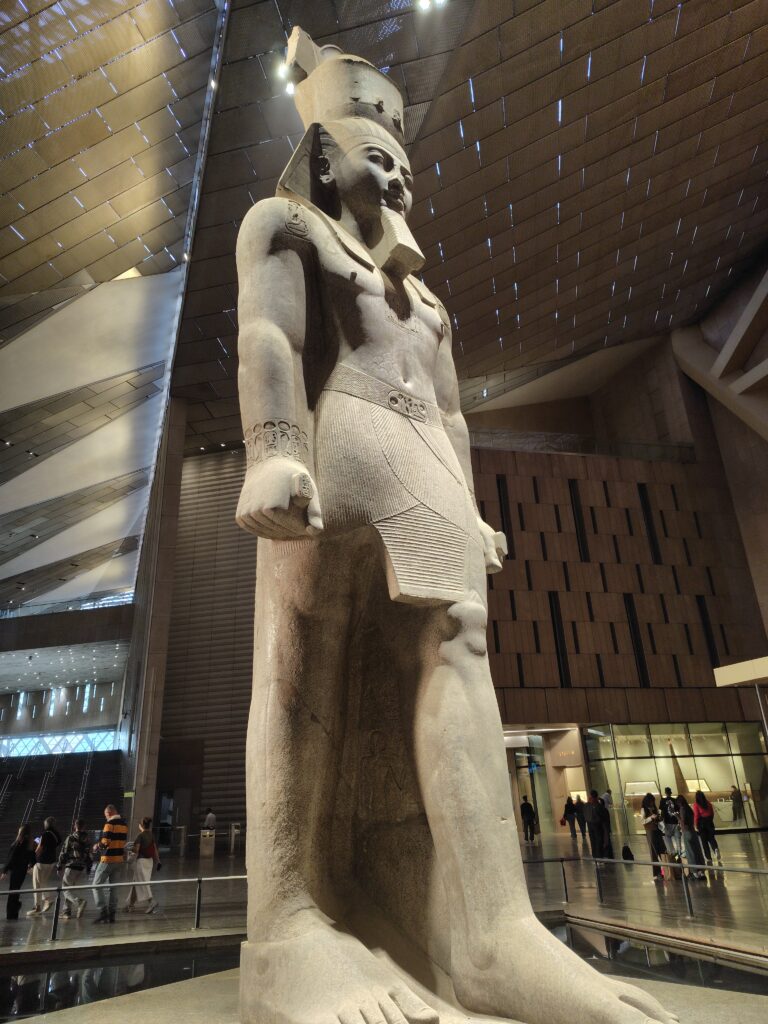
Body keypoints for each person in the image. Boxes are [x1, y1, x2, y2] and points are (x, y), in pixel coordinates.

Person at [233, 27, 676, 1024]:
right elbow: (270, 334)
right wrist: (273, 447)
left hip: (422, 465)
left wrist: (472, 508)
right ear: (323, 159)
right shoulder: (286, 226)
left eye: (406, 167)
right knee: (304, 659)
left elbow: (452, 411)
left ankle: (490, 928)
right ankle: (289, 921)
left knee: (459, 641)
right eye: (377, 157)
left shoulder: (425, 298)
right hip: (336, 450)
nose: (398, 178)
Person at [92, 804, 127, 924]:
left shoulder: (109, 824)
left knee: (96, 885)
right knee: (114, 888)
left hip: (107, 859)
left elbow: (105, 842)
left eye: (105, 815)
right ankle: (112, 914)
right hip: (119, 859)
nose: (105, 817)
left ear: (109, 813)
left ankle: (103, 911)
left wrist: (97, 845)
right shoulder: (124, 825)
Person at [57, 819, 91, 920]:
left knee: (65, 888)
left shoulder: (71, 838)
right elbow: (89, 854)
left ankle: (79, 902)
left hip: (71, 866)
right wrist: (88, 868)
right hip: (81, 868)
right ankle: (66, 912)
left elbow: (64, 853)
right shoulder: (87, 839)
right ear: (84, 827)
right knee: (69, 889)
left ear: (74, 826)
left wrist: (59, 866)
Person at [125, 817, 161, 914]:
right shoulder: (151, 835)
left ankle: (152, 901)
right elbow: (155, 849)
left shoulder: (140, 836)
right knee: (136, 883)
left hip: (141, 862)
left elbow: (136, 850)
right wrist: (158, 861)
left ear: (141, 825)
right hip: (149, 862)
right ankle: (130, 904)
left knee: (142, 883)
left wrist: (129, 848)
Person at [27, 817, 61, 916]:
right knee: (40, 882)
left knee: (39, 883)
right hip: (51, 861)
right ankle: (37, 906)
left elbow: (39, 849)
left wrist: (31, 861)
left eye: (45, 823)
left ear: (47, 824)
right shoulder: (57, 835)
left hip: (42, 861)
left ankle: (47, 899)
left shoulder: (45, 834)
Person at [1, 824, 35, 920]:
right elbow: (33, 858)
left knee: (12, 891)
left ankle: (11, 912)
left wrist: (5, 871)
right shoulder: (29, 844)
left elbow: (11, 858)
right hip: (22, 871)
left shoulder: (18, 844)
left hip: (16, 871)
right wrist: (30, 865)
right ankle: (15, 909)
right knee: (16, 890)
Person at [676, 795, 706, 879]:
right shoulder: (689, 808)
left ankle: (695, 872)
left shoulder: (682, 809)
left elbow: (683, 823)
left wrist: (677, 816)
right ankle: (701, 871)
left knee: (690, 853)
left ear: (679, 803)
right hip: (693, 832)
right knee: (697, 851)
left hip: (687, 833)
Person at [640, 794, 667, 882]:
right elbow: (642, 821)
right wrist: (651, 818)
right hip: (650, 831)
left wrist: (659, 818)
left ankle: (667, 870)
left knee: (663, 850)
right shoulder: (644, 809)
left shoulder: (654, 808)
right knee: (654, 852)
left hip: (657, 830)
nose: (652, 803)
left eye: (653, 801)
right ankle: (657, 873)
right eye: (651, 801)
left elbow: (658, 819)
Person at [693, 790, 721, 863]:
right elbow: (712, 813)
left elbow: (696, 815)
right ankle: (715, 849)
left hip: (701, 824)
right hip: (709, 822)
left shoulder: (696, 805)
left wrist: (696, 825)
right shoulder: (708, 803)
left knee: (704, 841)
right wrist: (710, 821)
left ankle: (708, 857)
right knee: (711, 838)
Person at [659, 787, 681, 858]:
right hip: (675, 822)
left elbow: (661, 812)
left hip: (667, 823)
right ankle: (679, 854)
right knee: (678, 839)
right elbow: (678, 811)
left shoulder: (662, 800)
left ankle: (673, 854)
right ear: (671, 792)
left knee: (668, 838)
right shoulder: (674, 800)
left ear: (665, 792)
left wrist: (661, 821)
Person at [583, 790, 604, 858]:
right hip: (594, 824)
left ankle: (596, 854)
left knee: (595, 839)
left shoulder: (589, 805)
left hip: (593, 824)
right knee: (596, 839)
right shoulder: (594, 805)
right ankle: (597, 854)